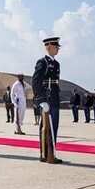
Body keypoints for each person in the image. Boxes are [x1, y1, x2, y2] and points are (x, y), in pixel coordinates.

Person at [32, 36, 63, 164]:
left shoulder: (56, 64)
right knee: (45, 126)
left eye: (58, 47)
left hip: (54, 97)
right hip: (46, 97)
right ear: (48, 47)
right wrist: (41, 99)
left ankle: (52, 152)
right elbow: (36, 81)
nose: (57, 49)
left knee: (54, 126)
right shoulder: (42, 62)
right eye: (56, 47)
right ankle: (44, 154)